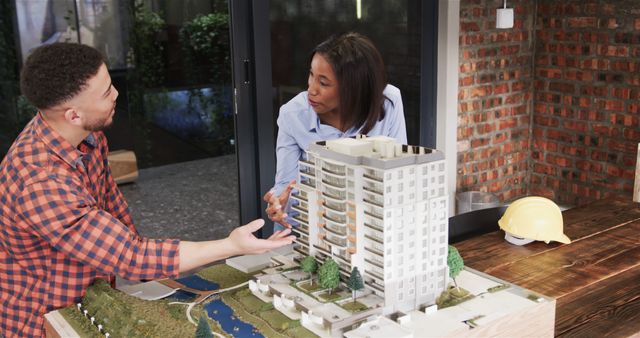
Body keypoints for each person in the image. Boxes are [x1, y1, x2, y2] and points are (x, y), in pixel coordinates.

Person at [0, 43, 295, 337]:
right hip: (44, 318)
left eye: (110, 84)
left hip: (91, 294)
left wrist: (152, 278)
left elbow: (116, 216)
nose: (116, 94)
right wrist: (232, 245)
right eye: (105, 93)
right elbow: (128, 254)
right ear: (73, 115)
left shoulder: (88, 138)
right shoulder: (40, 182)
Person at [264, 32, 407, 229]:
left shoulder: (388, 102)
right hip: (310, 227)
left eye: (323, 83)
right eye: (311, 75)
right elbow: (285, 184)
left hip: (369, 224)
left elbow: (400, 171)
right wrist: (280, 203)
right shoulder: (292, 115)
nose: (311, 89)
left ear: (353, 87)